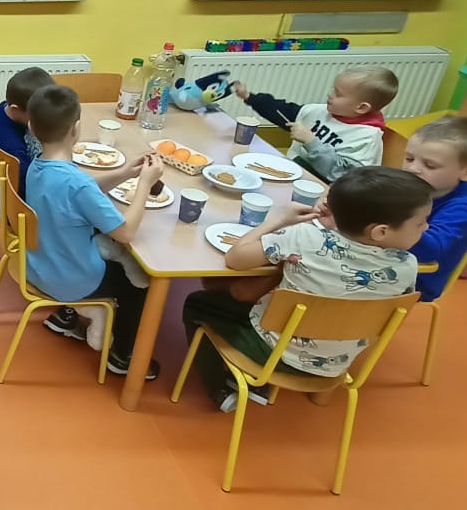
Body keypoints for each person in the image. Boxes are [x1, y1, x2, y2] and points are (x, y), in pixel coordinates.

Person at [184, 166, 429, 411]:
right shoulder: (408, 266)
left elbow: (236, 258)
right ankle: (258, 387)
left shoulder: (304, 237)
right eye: (420, 223)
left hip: (272, 353)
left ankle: (221, 388)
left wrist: (279, 219)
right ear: (379, 231)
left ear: (381, 231)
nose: (426, 227)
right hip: (337, 364)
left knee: (198, 302)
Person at [21, 85, 165, 378]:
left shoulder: (38, 166)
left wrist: (124, 173)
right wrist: (144, 186)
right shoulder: (77, 184)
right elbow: (125, 233)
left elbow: (81, 193)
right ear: (76, 129)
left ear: (32, 128)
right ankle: (123, 355)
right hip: (73, 280)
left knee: (105, 249)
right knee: (141, 282)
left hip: (37, 267)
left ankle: (68, 315)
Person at [231, 67, 397, 182]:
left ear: (361, 107)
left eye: (338, 94)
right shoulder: (321, 111)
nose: (330, 95)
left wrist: (312, 142)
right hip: (294, 173)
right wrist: (250, 97)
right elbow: (284, 112)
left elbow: (342, 175)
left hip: (327, 193)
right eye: (333, 89)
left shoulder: (366, 138)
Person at [397, 115, 467, 301]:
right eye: (409, 158)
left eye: (430, 165)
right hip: (391, 260)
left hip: (417, 280)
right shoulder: (416, 184)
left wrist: (389, 218)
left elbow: (429, 251)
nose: (413, 168)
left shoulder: (463, 209)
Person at [0, 66, 54, 211]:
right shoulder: (14, 151)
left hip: (9, 195)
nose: (44, 118)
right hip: (16, 211)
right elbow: (34, 189)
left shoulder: (3, 108)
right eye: (38, 115)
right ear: (15, 109)